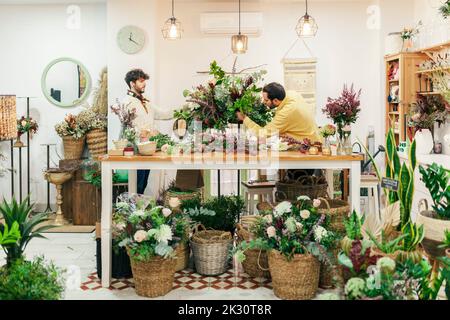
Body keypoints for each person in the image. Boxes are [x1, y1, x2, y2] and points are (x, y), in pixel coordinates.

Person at [123, 69, 173, 194]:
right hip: (135, 150)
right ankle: (133, 211)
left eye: (144, 81)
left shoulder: (145, 100)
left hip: (148, 149)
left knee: (143, 183)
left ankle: (138, 211)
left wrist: (184, 109)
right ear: (132, 83)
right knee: (137, 185)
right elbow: (126, 127)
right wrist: (143, 132)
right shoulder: (126, 102)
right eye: (141, 81)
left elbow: (162, 114)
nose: (144, 84)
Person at [236, 82, 321, 142]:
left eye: (266, 100)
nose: (263, 102)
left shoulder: (286, 113)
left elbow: (262, 134)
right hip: (315, 137)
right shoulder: (291, 94)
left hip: (311, 147)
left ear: (276, 100)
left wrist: (244, 118)